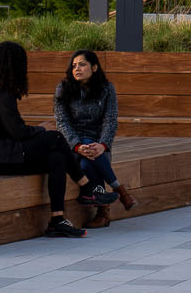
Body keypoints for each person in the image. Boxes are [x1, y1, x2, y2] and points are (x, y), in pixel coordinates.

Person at [0, 40, 89, 238]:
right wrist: (41, 129)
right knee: (55, 137)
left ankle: (57, 220)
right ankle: (87, 186)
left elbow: (11, 131)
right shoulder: (1, 93)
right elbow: (19, 133)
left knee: (56, 158)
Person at [53, 49, 133, 227]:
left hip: (98, 143)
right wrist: (77, 145)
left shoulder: (107, 89)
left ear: (94, 67)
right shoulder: (63, 89)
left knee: (85, 163)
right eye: (74, 66)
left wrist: (103, 145)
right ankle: (119, 193)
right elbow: (62, 123)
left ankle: (104, 212)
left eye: (82, 64)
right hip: (72, 143)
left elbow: (110, 121)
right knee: (87, 154)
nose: (77, 69)